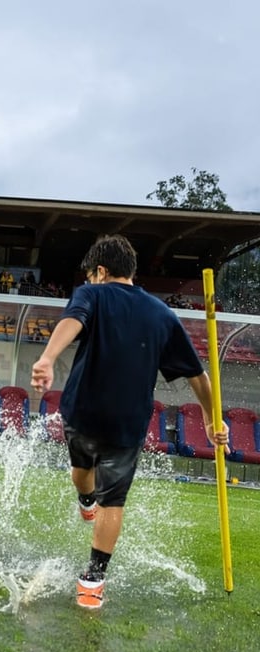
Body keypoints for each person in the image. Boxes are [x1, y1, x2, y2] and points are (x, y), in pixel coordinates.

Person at [30, 234, 228, 610]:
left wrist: (48, 358)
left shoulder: (91, 293)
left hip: (82, 411)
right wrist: (210, 414)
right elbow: (197, 375)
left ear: (101, 271)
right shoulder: (162, 313)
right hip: (128, 421)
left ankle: (86, 507)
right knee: (111, 499)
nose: (90, 280)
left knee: (82, 475)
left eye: (91, 275)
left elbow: (72, 321)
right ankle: (94, 578)